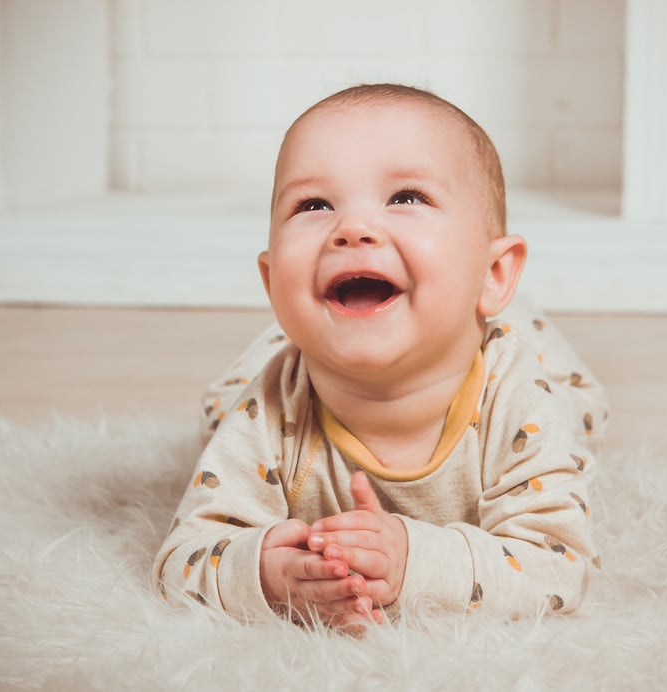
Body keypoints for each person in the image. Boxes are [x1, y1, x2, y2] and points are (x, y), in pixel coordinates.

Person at [153, 83, 608, 630]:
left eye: (406, 198)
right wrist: (265, 574)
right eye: (313, 205)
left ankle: (505, 308)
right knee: (220, 410)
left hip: (520, 352)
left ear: (494, 273)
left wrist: (415, 558)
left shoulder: (518, 397)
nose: (353, 229)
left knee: (580, 412)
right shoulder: (272, 408)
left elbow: (559, 567)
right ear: (272, 283)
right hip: (295, 344)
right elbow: (184, 559)